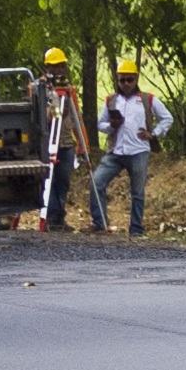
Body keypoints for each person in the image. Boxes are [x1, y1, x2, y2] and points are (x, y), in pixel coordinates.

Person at [88, 59, 170, 236]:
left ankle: (136, 229)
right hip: (116, 151)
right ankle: (99, 223)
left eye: (129, 80)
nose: (126, 84)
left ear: (136, 79)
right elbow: (100, 124)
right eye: (122, 80)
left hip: (139, 152)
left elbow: (167, 118)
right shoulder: (111, 100)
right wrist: (112, 126)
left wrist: (154, 133)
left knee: (137, 192)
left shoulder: (148, 99)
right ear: (117, 80)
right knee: (96, 182)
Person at [31, 50, 89, 230]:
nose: (59, 70)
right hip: (46, 142)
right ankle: (52, 217)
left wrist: (82, 144)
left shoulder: (69, 90)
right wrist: (53, 111)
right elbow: (35, 116)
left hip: (65, 142)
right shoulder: (36, 87)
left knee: (63, 181)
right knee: (50, 180)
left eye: (62, 65)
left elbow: (76, 118)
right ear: (47, 67)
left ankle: (58, 218)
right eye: (55, 66)